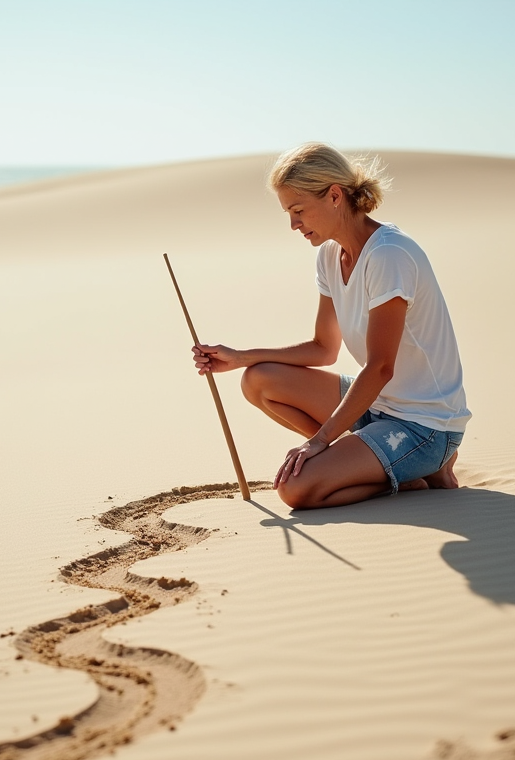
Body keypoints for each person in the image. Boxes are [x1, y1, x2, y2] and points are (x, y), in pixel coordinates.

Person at [192, 143, 470, 509]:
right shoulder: (329, 254)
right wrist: (240, 357)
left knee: (296, 489)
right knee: (258, 380)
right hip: (378, 406)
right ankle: (374, 467)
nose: (293, 224)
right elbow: (324, 349)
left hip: (424, 426)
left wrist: (320, 441)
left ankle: (406, 475)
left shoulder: (389, 255)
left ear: (335, 196)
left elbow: (380, 367)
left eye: (298, 210)